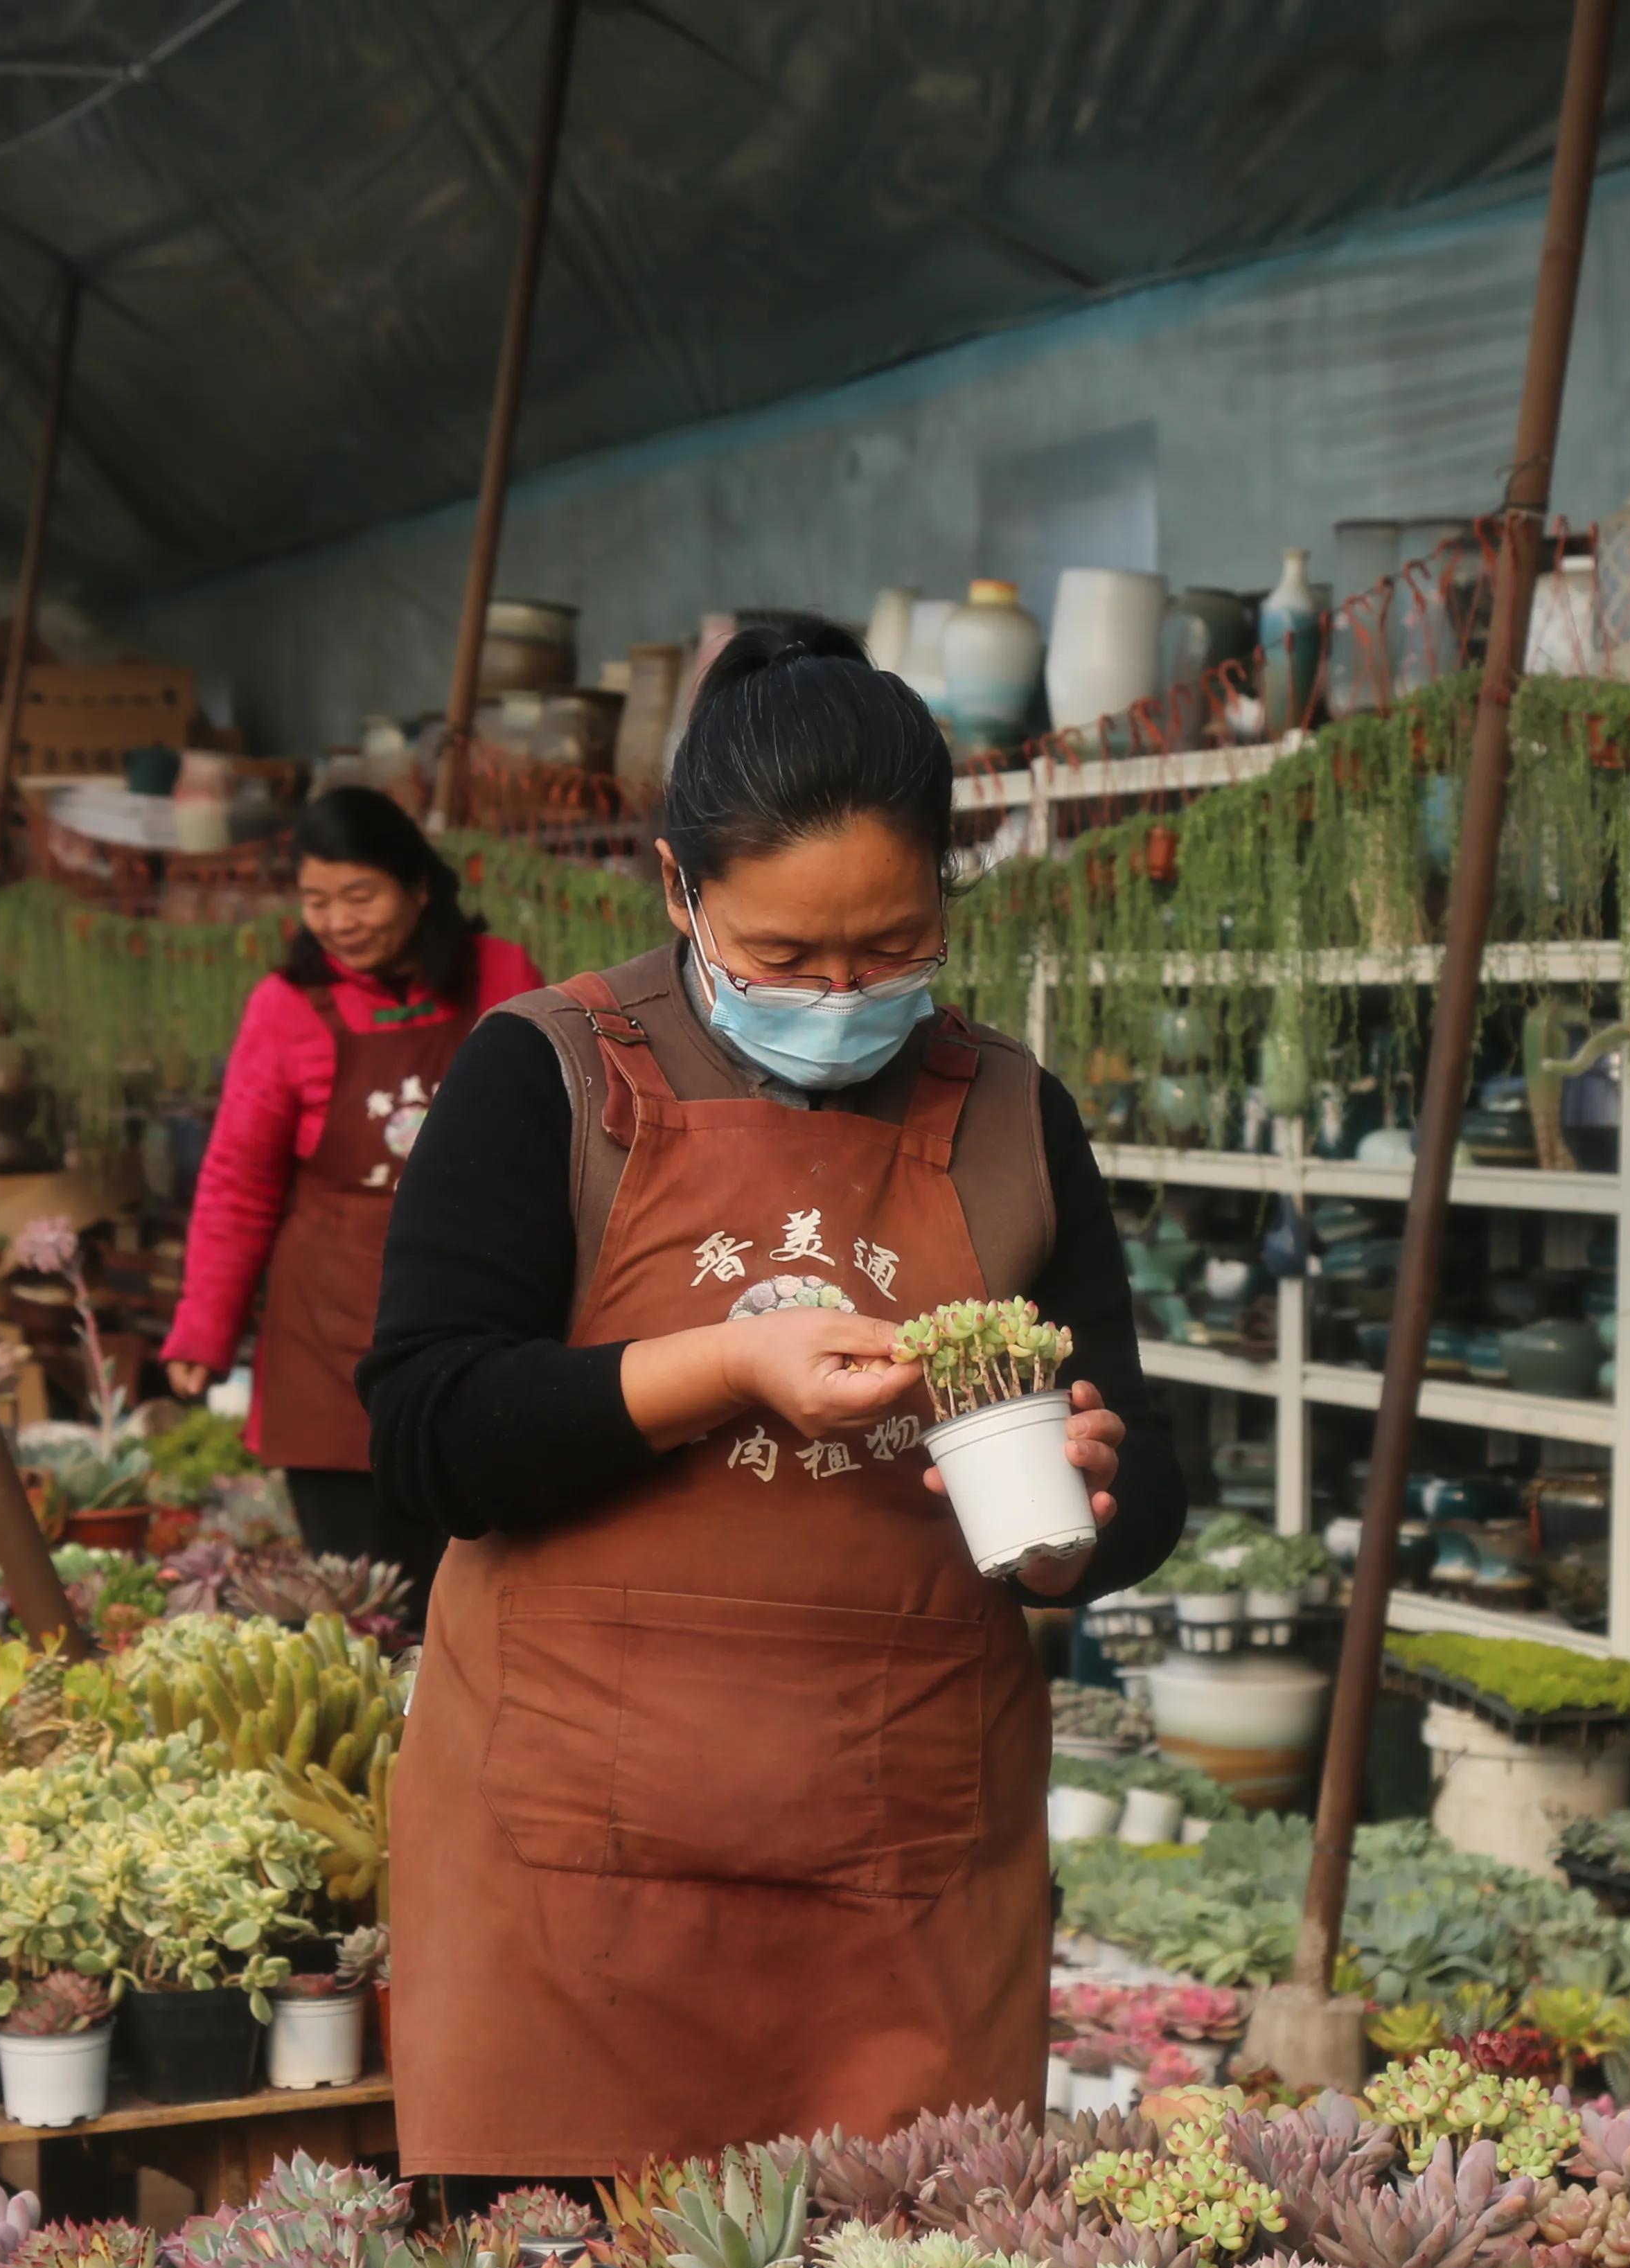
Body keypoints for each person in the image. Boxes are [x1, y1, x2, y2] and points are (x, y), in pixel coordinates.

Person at [365, 617, 1184, 2179]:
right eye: (785, 959)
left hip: (903, 1880)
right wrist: (725, 1367)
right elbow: (428, 1439)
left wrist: (1082, 1521)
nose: (840, 994)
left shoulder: (1011, 1113)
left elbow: (1135, 1454)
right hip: (569, 1890)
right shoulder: (545, 1075)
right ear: (679, 889)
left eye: (888, 951)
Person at [161, 787, 541, 1586]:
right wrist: (204, 1328)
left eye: (360, 895)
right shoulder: (286, 1007)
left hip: (476, 1309)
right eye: (317, 901)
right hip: (326, 1329)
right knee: (357, 1588)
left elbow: (556, 1141)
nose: (339, 922)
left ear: (419, 886)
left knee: (480, 1575)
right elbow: (238, 1179)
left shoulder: (501, 976)